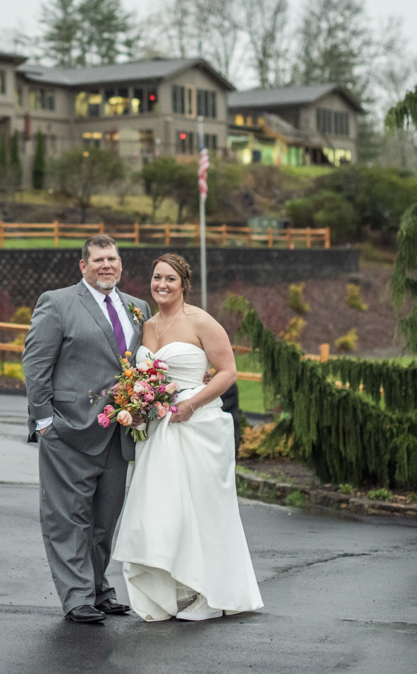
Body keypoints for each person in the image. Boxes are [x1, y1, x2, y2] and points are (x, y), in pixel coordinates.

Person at [112, 253, 263, 622]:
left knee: (204, 510)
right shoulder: (146, 328)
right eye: (156, 277)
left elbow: (228, 372)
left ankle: (215, 594)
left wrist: (192, 405)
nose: (161, 285)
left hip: (198, 427)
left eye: (170, 279)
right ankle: (179, 588)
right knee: (164, 512)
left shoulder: (202, 322)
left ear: (184, 285)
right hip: (158, 432)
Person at [22, 235, 152, 624]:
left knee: (104, 520)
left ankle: (98, 589)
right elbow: (36, 364)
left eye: (112, 258)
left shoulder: (138, 308)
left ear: (121, 264)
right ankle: (77, 597)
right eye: (97, 260)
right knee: (68, 518)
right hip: (68, 430)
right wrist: (45, 421)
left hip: (118, 432)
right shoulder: (57, 303)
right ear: (83, 266)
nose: (106, 265)